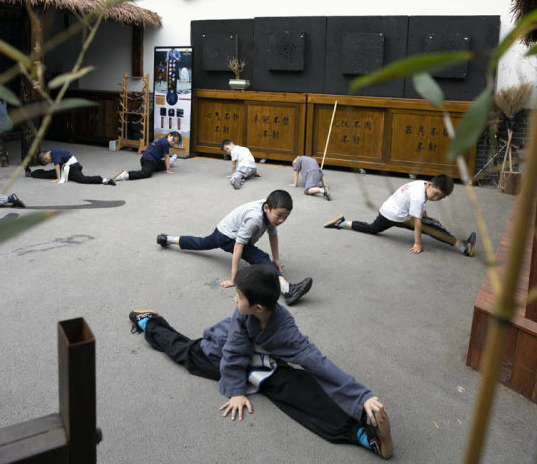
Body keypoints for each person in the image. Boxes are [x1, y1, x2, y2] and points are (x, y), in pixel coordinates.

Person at [127, 265, 393, 459]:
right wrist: (236, 392)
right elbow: (232, 353)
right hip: (219, 350)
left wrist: (363, 396)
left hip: (264, 363)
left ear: (259, 307)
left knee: (300, 386)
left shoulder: (286, 331)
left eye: (239, 296)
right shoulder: (242, 315)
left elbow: (318, 363)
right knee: (185, 353)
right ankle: (151, 322)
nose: (235, 298)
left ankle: (363, 431)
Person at [155, 190, 313, 305]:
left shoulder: (270, 210)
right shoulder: (255, 219)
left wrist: (277, 259)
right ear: (267, 208)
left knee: (202, 243)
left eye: (286, 217)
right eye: (279, 215)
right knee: (261, 258)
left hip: (225, 229)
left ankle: (167, 239)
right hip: (228, 236)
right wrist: (233, 278)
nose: (281, 220)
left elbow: (273, 234)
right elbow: (239, 246)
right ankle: (287, 289)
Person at [324, 175, 476, 256]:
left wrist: (426, 216)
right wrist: (418, 243)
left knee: (372, 228)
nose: (436, 198)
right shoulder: (418, 196)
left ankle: (342, 223)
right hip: (399, 216)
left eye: (440, 197)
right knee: (433, 227)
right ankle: (463, 247)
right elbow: (417, 222)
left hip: (386, 211)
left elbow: (421, 206)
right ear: (430, 185)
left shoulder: (422, 184)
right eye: (436, 194)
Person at [113, 131, 181, 182]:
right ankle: (126, 175)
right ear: (169, 135)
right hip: (149, 160)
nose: (172, 142)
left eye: (175, 143)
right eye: (172, 140)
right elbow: (166, 156)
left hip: (150, 160)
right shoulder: (166, 142)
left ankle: (170, 163)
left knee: (162, 165)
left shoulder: (162, 139)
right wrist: (168, 170)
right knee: (147, 173)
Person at [34, 147, 116, 185]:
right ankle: (31, 173)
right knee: (50, 174)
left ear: (45, 158)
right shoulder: (54, 151)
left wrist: (58, 178)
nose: (50, 162)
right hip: (66, 167)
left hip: (73, 167)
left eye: (48, 162)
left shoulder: (53, 152)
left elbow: (57, 165)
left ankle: (104, 180)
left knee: (82, 179)